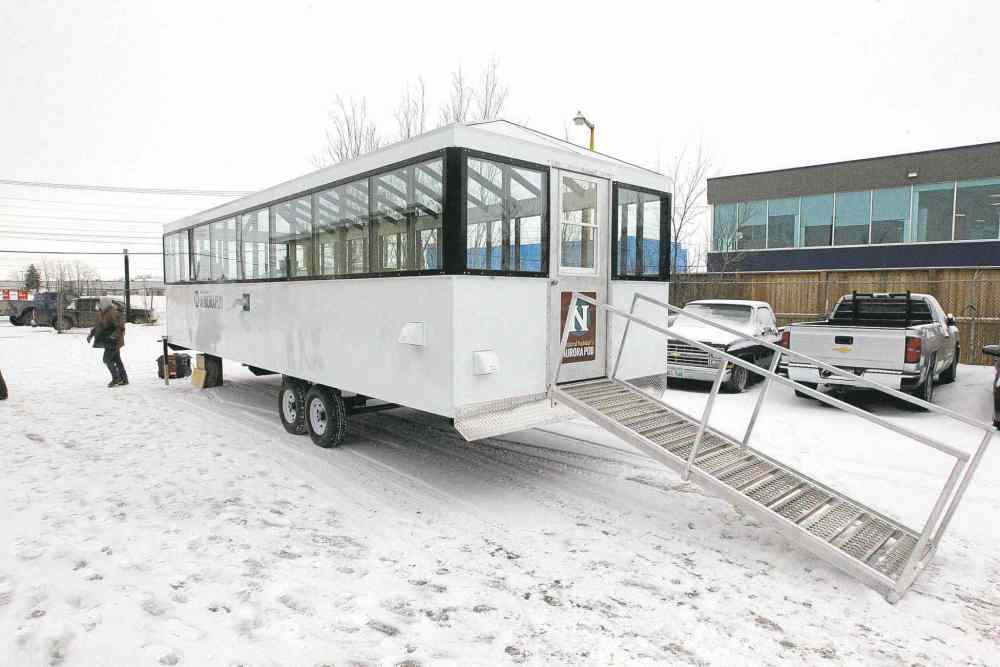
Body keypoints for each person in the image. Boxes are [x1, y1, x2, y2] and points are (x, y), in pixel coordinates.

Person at [86, 296, 128, 387]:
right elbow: (98, 326)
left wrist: (113, 336)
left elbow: (120, 327)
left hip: (114, 341)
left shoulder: (113, 312)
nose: (99, 304)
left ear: (105, 303)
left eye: (100, 302)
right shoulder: (101, 313)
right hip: (107, 340)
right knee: (116, 359)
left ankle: (116, 378)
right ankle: (124, 379)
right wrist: (91, 335)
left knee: (107, 359)